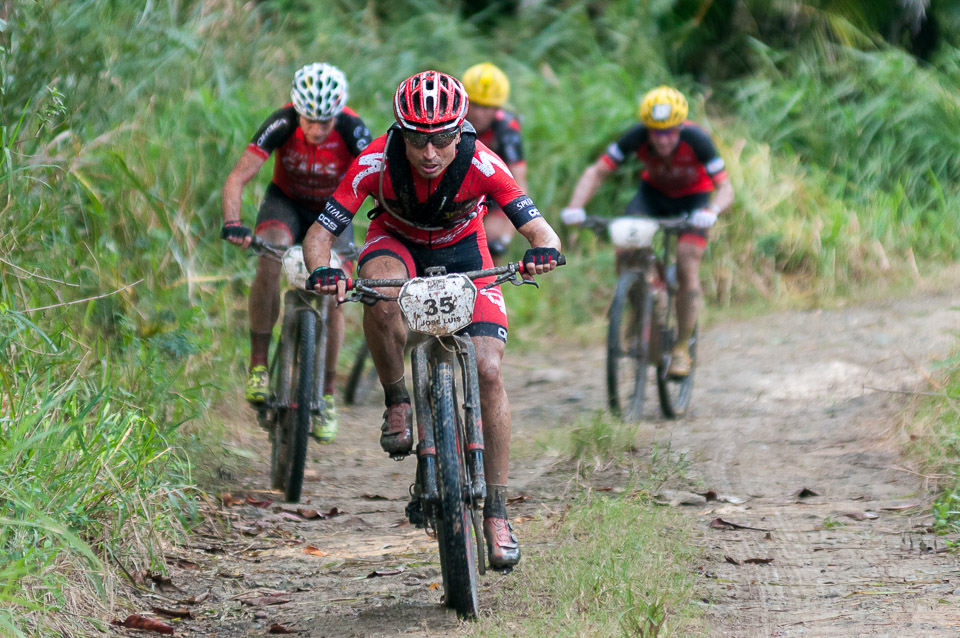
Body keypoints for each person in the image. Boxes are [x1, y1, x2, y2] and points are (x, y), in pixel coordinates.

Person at [302, 70, 561, 569]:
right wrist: (323, 271)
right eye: (418, 138)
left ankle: (499, 512)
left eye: (442, 138)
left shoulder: (483, 161)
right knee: (378, 292)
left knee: (488, 369)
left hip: (466, 250)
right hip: (395, 243)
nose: (429, 152)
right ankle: (398, 400)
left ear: (460, 130)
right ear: (400, 131)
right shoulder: (374, 160)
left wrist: (541, 253)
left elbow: (540, 230)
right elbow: (320, 235)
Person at [220, 62, 372, 443]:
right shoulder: (283, 122)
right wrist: (233, 221)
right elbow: (239, 176)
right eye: (310, 121)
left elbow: (376, 177)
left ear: (338, 113)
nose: (318, 130)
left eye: (326, 122)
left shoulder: (353, 130)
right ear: (297, 110)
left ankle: (325, 393)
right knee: (268, 259)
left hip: (333, 212)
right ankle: (258, 364)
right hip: (285, 204)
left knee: (336, 290)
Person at [561, 85, 733, 377]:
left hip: (694, 200)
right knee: (626, 249)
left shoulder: (698, 139)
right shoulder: (636, 136)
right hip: (652, 196)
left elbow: (725, 187)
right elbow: (597, 172)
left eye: (669, 132)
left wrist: (712, 212)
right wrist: (575, 207)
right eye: (655, 132)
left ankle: (680, 347)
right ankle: (640, 302)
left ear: (680, 127)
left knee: (687, 261)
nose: (662, 139)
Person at [462, 62, 527, 263]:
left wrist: (505, 239)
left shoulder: (507, 128)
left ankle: (487, 288)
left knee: (490, 244)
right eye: (475, 104)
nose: (479, 113)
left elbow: (518, 182)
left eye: (487, 107)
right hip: (458, 189)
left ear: (498, 108)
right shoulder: (451, 119)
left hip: (492, 192)